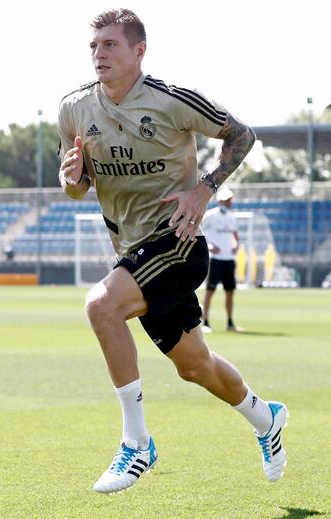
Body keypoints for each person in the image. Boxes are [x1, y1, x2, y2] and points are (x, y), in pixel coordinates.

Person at [58, 8, 288, 494]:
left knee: (101, 305)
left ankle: (137, 443)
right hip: (133, 251)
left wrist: (203, 189)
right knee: (194, 366)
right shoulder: (74, 109)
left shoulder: (170, 100)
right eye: (94, 46)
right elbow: (76, 185)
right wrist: (72, 178)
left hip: (179, 243)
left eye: (110, 45)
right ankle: (266, 417)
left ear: (139, 50)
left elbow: (242, 136)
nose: (99, 54)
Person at [201, 186, 242, 333]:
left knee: (230, 291)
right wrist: (210, 246)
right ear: (221, 201)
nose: (230, 202)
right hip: (215, 259)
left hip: (229, 259)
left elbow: (235, 235)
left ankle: (230, 323)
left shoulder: (232, 217)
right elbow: (199, 230)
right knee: (210, 290)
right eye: (227, 199)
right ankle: (205, 321)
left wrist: (236, 245)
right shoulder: (210, 216)